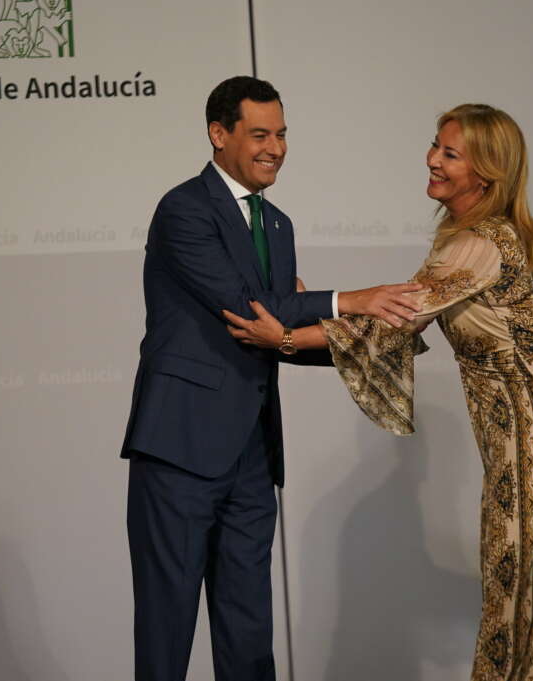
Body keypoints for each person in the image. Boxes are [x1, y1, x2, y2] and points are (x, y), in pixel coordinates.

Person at [224, 103, 533, 680]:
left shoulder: (480, 242)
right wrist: (300, 320)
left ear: (485, 175)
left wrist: (287, 335)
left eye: (451, 154)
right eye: (435, 145)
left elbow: (396, 320)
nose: (432, 160)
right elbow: (393, 321)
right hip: (528, 420)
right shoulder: (467, 238)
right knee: (519, 566)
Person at [121, 75, 422, 681]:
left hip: (253, 456)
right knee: (167, 628)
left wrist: (379, 339)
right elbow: (247, 308)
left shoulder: (277, 224)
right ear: (219, 133)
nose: (276, 148)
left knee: (249, 630)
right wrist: (351, 300)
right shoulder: (183, 209)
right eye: (260, 134)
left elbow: (276, 336)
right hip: (180, 448)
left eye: (282, 134)